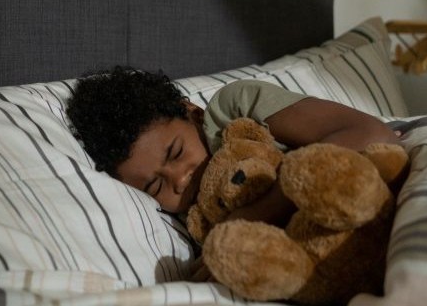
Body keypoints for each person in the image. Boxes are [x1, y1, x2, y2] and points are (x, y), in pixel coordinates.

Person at [65, 66, 400, 227]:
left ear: (192, 113)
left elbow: (369, 133)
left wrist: (253, 214)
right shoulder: (196, 222)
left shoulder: (232, 110)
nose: (180, 180)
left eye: (177, 152)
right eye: (155, 185)